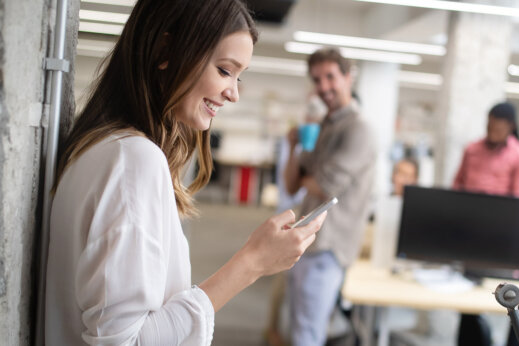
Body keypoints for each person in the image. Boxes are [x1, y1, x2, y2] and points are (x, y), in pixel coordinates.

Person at [44, 1, 326, 345]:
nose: (234, 93)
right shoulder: (134, 161)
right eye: (224, 70)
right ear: (166, 51)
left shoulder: (102, 146)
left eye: (239, 76)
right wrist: (252, 262)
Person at [284, 47, 376, 346]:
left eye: (330, 77)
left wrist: (309, 176)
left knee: (307, 335)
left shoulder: (359, 129)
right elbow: (291, 184)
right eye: (316, 79)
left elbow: (326, 186)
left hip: (329, 248)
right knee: (300, 328)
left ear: (348, 77)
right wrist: (294, 147)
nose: (323, 87)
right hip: (307, 243)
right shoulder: (323, 125)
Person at [453, 102, 519, 198]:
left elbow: (518, 196)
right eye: (489, 128)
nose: (492, 135)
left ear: (511, 127)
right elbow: (458, 184)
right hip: (468, 207)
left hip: (499, 210)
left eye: (498, 130)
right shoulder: (471, 149)